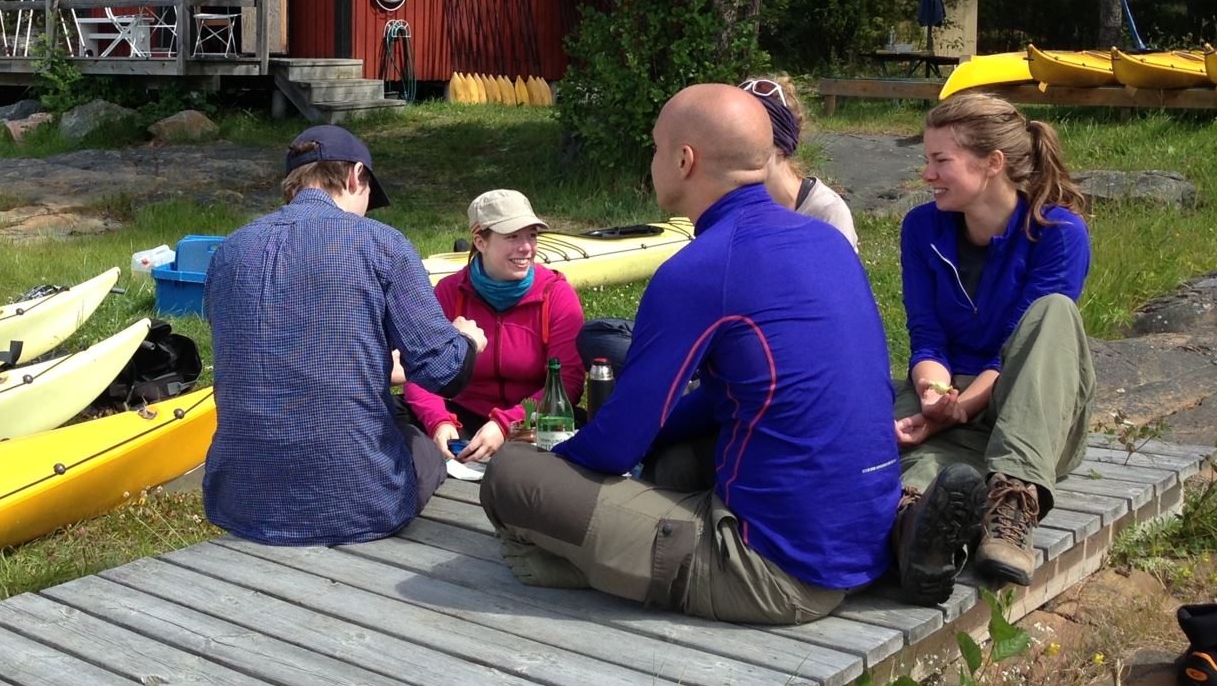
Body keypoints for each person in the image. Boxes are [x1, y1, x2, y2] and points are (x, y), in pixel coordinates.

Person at [479, 83, 904, 626]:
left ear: (684, 160)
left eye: (655, 148)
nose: (652, 161)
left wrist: (551, 466)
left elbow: (615, 445)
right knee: (672, 460)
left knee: (514, 476)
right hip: (866, 542)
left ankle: (578, 562)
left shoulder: (703, 267)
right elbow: (730, 397)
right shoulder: (825, 242)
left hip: (776, 573)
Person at [202, 124, 488, 545]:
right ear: (356, 176)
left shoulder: (229, 250)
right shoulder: (381, 244)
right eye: (369, 196)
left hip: (238, 497)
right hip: (356, 504)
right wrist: (466, 340)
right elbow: (442, 372)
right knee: (422, 443)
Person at [889, 92, 1093, 604]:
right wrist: (936, 398)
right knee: (896, 439)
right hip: (955, 400)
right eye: (927, 160)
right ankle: (917, 533)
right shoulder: (921, 228)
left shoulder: (1058, 233)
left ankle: (1014, 503)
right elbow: (926, 332)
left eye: (941, 161)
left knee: (1054, 314)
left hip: (1029, 407)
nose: (927, 174)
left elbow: (1014, 352)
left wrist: (960, 409)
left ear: (993, 163)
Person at [402, 189, 584, 465]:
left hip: (530, 425)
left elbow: (567, 383)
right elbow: (419, 371)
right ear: (480, 241)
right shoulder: (450, 292)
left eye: (532, 235)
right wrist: (438, 421)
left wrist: (505, 425)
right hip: (460, 418)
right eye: (512, 236)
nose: (526, 248)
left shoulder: (556, 295)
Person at [738, 76, 858, 251]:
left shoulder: (826, 212)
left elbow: (840, 276)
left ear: (781, 146)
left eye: (747, 139)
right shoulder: (738, 205)